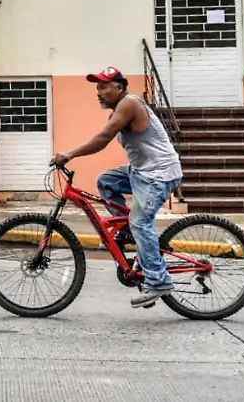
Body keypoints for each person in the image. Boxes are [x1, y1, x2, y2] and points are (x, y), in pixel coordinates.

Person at [51, 66, 183, 308]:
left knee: (140, 222)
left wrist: (69, 154)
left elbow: (102, 140)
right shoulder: (116, 111)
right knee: (106, 181)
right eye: (97, 88)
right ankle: (129, 231)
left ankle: (158, 281)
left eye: (103, 87)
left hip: (159, 174)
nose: (98, 93)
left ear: (119, 88)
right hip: (141, 172)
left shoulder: (129, 104)